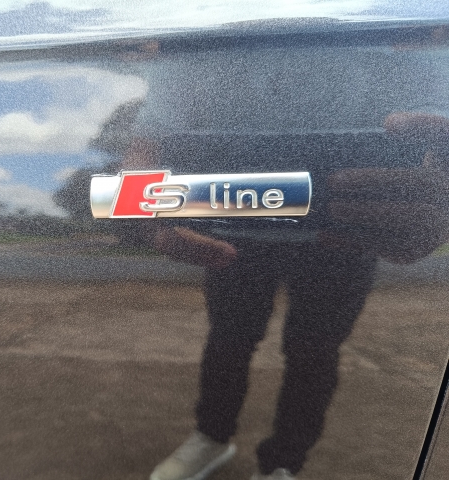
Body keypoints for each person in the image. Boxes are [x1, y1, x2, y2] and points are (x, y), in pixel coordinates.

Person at [117, 38, 449, 480]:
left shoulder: (403, 33)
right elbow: (148, 137)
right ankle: (211, 436)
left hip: (345, 231)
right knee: (229, 340)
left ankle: (283, 464)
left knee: (313, 351)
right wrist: (138, 208)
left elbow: (437, 135)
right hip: (237, 230)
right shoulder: (202, 34)